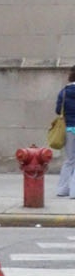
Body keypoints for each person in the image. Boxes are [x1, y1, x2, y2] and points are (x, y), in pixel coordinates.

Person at [57, 67, 75, 197]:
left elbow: (58, 110)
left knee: (70, 160)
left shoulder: (64, 92)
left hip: (68, 128)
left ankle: (62, 189)